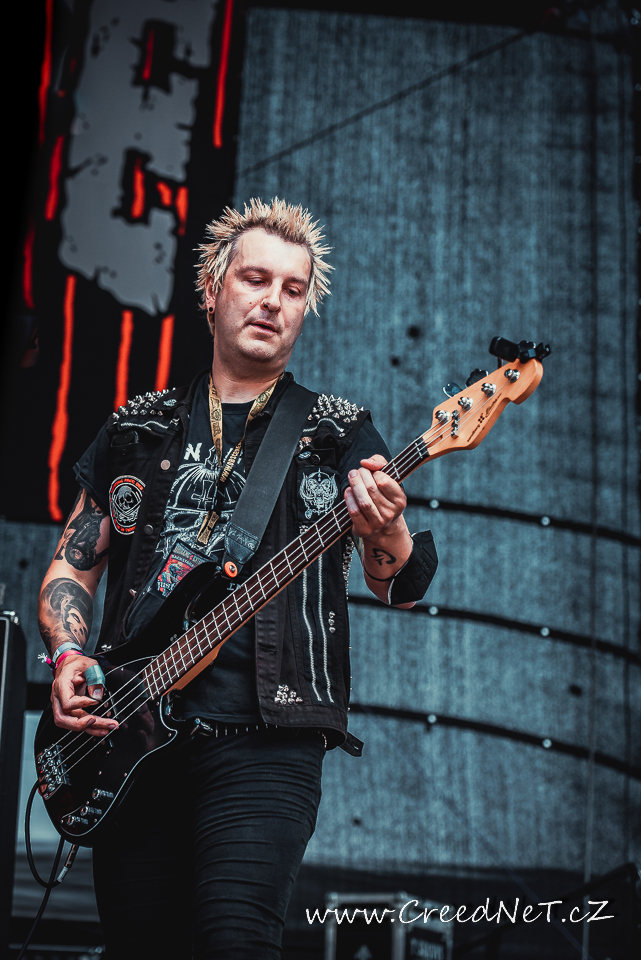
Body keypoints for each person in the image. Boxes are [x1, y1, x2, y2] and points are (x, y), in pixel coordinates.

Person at [38, 198, 437, 958]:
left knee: (236, 939)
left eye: (293, 289)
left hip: (268, 744)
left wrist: (387, 528)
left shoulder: (337, 432)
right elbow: (73, 564)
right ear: (212, 288)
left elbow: (400, 586)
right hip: (130, 736)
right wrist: (67, 656)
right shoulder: (137, 426)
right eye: (256, 279)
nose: (272, 301)